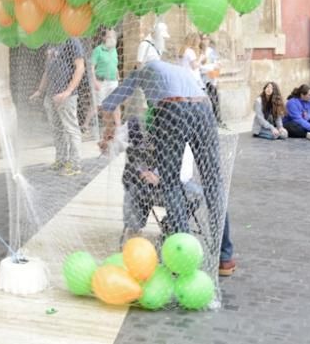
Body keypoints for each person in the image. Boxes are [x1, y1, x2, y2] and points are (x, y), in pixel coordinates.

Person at [98, 58, 226, 258]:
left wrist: (107, 131)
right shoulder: (178, 70)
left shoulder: (141, 69)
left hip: (173, 108)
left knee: (170, 183)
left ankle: (184, 254)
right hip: (204, 107)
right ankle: (224, 256)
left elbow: (110, 103)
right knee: (213, 183)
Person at [31, 38, 86, 175]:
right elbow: (47, 70)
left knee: (71, 129)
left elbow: (80, 67)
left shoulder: (72, 40)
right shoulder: (51, 42)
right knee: (57, 129)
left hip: (66, 95)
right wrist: (40, 91)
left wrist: (67, 92)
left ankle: (75, 165)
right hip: (51, 95)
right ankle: (61, 159)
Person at [91, 29, 122, 146]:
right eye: (109, 37)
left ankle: (118, 129)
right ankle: (107, 133)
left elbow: (114, 64)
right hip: (101, 82)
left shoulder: (114, 50)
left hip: (113, 81)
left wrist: (118, 74)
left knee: (116, 104)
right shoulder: (98, 50)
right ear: (104, 38)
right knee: (104, 108)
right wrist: (95, 81)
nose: (112, 39)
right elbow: (92, 67)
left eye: (114, 37)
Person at [199, 34, 221, 122]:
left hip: (211, 79)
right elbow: (199, 67)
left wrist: (211, 67)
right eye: (204, 39)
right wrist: (210, 67)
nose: (205, 41)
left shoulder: (212, 51)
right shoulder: (199, 51)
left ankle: (217, 119)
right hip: (201, 80)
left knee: (214, 99)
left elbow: (218, 64)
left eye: (207, 39)